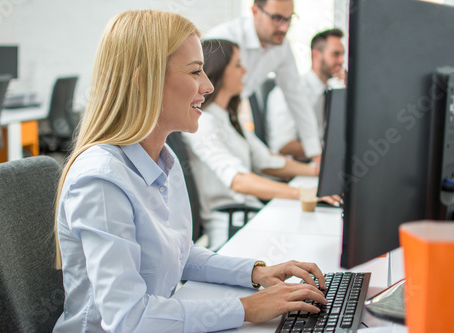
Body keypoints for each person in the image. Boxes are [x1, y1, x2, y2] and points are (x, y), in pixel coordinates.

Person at [53, 10, 327, 333]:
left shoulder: (163, 159)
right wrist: (246, 309)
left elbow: (178, 253)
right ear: (145, 80)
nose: (208, 86)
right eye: (196, 72)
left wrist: (257, 272)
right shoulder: (100, 180)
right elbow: (129, 319)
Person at [183, 39, 324, 250]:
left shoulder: (229, 118)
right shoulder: (204, 123)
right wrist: (302, 194)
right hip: (233, 227)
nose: (245, 70)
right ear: (220, 70)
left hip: (251, 216)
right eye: (238, 64)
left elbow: (267, 161)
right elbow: (238, 180)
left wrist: (317, 172)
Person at [206, 0, 322, 162]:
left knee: (258, 161)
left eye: (289, 19)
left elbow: (297, 97)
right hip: (208, 116)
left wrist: (315, 152)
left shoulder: (281, 46)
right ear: (255, 11)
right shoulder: (222, 39)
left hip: (233, 113)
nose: (284, 27)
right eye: (276, 18)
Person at [266, 28, 346, 158]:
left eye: (343, 55)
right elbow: (284, 145)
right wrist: (332, 151)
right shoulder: (287, 92)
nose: (342, 61)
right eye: (335, 54)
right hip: (297, 170)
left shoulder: (332, 92)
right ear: (316, 55)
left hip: (320, 163)